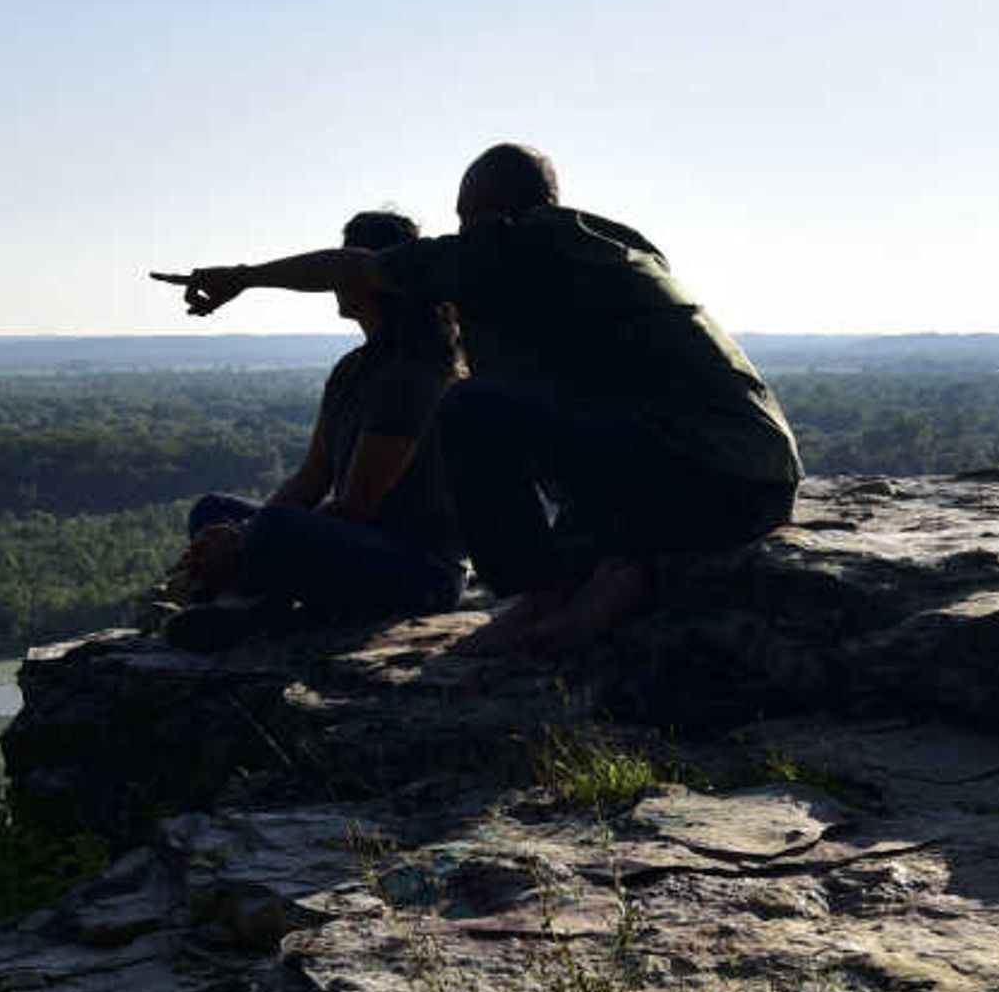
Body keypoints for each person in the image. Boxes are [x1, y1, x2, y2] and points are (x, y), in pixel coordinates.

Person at [157, 143, 800, 656]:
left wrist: (241, 278)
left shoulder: (516, 249)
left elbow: (354, 267)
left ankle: (546, 595)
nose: (460, 234)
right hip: (741, 480)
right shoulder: (610, 252)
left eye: (466, 218)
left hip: (710, 476)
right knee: (531, 408)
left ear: (498, 214)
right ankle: (615, 576)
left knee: (477, 408)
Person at [169, 209, 467, 643]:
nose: (334, 281)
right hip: (357, 543)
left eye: (342, 266)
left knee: (276, 528)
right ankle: (252, 600)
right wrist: (240, 534)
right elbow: (312, 477)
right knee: (213, 510)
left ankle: (245, 604)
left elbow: (356, 505)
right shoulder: (354, 369)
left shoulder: (414, 373)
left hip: (419, 571)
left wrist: (249, 540)